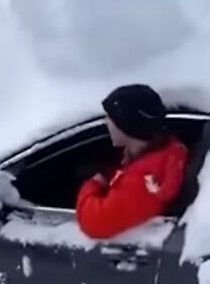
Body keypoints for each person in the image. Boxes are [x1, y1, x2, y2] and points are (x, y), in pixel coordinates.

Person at [75, 84, 189, 239]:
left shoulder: (144, 182)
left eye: (111, 118)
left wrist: (94, 183)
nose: (105, 122)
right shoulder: (155, 152)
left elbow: (92, 222)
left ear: (128, 127)